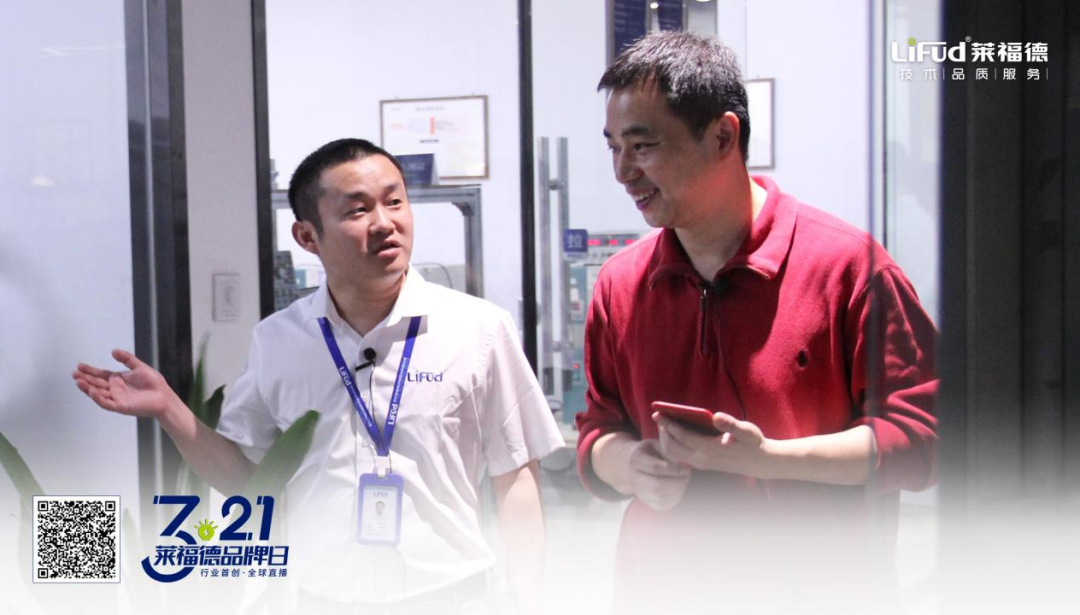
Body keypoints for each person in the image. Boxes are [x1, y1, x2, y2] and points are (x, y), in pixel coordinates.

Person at [74, 138, 563, 614]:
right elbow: (249, 481)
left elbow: (516, 476)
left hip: (452, 596)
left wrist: (528, 602)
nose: (384, 222)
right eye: (358, 210)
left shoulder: (478, 329)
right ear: (308, 236)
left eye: (395, 202)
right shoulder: (278, 340)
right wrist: (169, 409)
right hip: (322, 598)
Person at [575, 32, 937, 613]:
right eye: (614, 147)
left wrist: (768, 460)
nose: (623, 171)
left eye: (642, 146)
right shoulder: (621, 284)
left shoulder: (849, 268)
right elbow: (598, 429)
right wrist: (628, 465)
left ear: (723, 136)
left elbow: (924, 437)